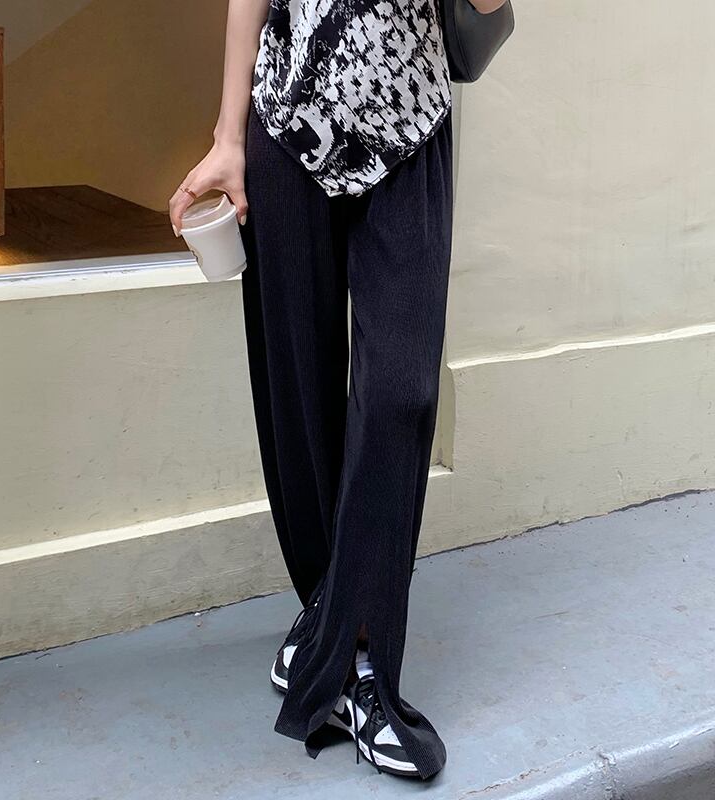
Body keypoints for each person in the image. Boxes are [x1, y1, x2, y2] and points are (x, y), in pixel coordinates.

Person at [169, 0, 503, 780]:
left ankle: (344, 640)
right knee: (299, 384)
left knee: (401, 395)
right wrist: (227, 138)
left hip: (410, 120)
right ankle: (343, 637)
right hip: (287, 117)